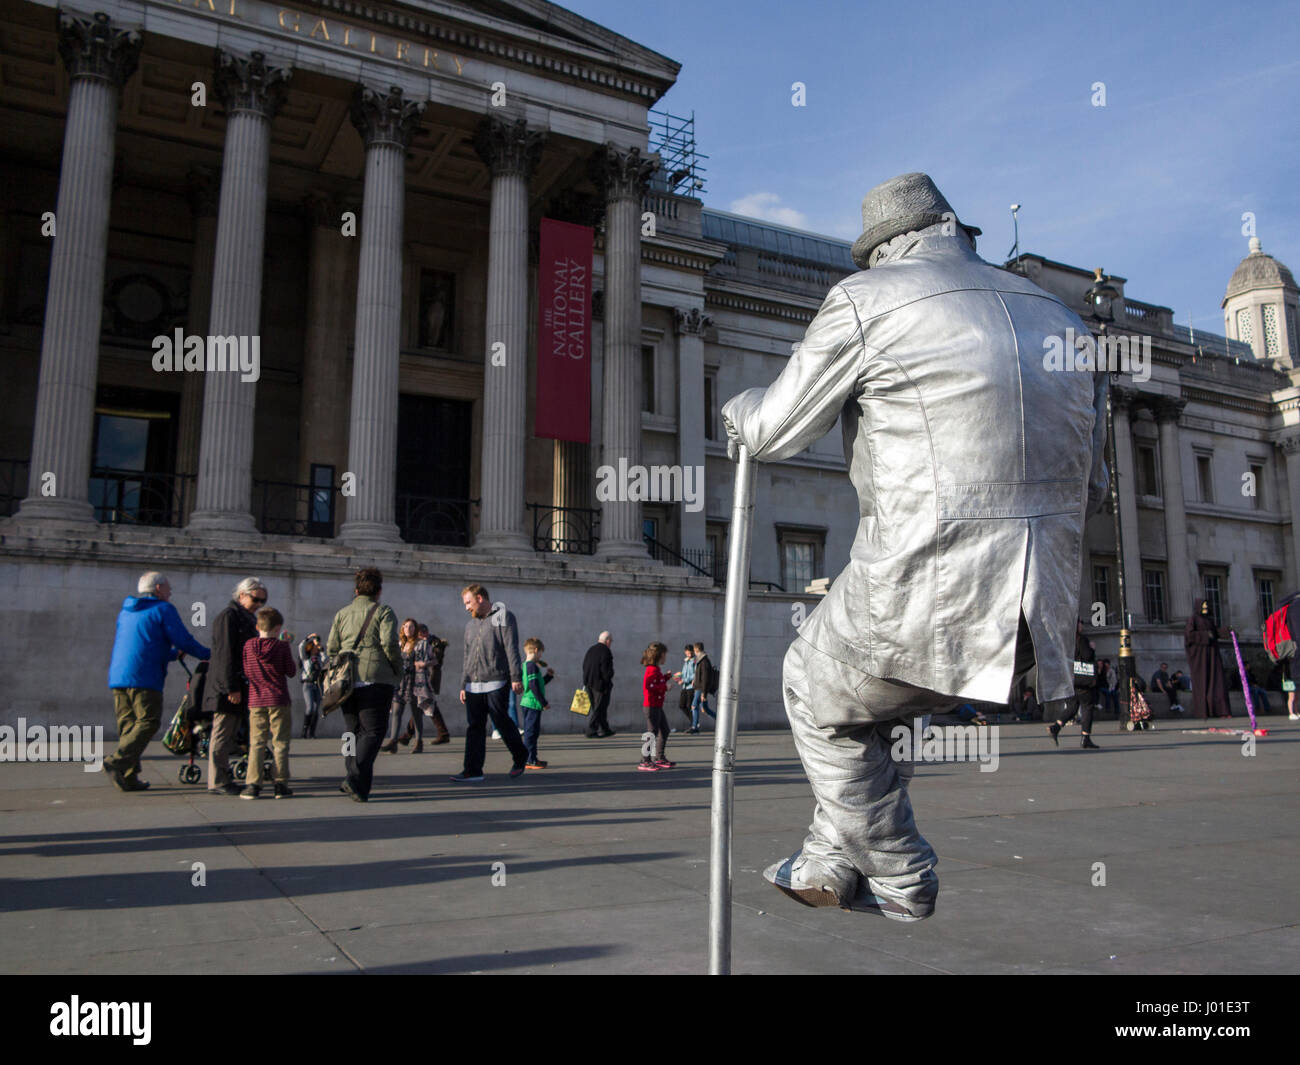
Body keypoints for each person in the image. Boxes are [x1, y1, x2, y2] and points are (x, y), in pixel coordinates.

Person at [722, 172, 1107, 921]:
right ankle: (831, 860)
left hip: (926, 593)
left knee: (809, 679)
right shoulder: (1068, 322)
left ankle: (900, 868)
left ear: (888, 247)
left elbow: (773, 431)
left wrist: (737, 407)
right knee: (873, 708)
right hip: (1037, 616)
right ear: (955, 231)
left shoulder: (867, 300)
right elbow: (1092, 488)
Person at [104, 571, 210, 791]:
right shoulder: (163, 609)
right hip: (145, 677)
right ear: (158, 588)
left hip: (119, 676)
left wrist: (173, 654)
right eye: (168, 588)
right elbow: (182, 639)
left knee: (128, 726)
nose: (171, 593)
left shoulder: (126, 612)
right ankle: (117, 761)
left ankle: (129, 776)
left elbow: (145, 645)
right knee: (148, 722)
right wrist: (207, 654)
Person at [327, 567, 401, 801]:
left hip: (346, 679)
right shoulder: (383, 611)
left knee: (351, 731)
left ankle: (358, 785)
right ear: (379, 591)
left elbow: (331, 647)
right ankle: (354, 778)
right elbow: (389, 643)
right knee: (373, 731)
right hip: (374, 676)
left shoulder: (342, 613)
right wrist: (397, 668)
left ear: (356, 590)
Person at [454, 584, 528, 783]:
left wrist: (515, 677)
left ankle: (521, 755)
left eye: (468, 602)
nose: (466, 607)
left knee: (502, 722)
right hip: (473, 685)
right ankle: (472, 770)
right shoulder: (470, 626)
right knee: (474, 727)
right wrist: (463, 684)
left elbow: (511, 648)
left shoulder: (503, 617)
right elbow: (467, 656)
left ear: (480, 598)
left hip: (496, 680)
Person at [204, 577, 266, 795]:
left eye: (262, 601)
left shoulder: (245, 618)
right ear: (242, 595)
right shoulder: (229, 617)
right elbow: (225, 655)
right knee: (222, 733)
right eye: (256, 599)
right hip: (228, 687)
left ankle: (223, 776)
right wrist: (231, 687)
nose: (259, 605)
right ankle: (218, 781)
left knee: (229, 734)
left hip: (239, 684)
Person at [240, 607, 297, 799]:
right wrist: (286, 644)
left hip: (256, 699)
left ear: (258, 626)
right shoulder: (281, 646)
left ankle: (252, 785)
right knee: (280, 742)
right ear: (278, 627)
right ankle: (280, 783)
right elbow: (290, 671)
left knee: (256, 743)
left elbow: (247, 672)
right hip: (278, 699)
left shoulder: (248, 646)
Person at [1048, 620, 1100, 749]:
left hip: (1070, 678)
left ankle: (1056, 727)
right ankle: (1085, 737)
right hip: (1083, 679)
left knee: (1072, 706)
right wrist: (1092, 649)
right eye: (1080, 623)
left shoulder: (1064, 641)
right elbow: (1087, 656)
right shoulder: (1081, 640)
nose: (1082, 625)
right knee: (1087, 706)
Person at [1184, 599, 1232, 718]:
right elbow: (1189, 636)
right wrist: (1205, 635)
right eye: (1203, 606)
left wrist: (1228, 631)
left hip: (1212, 653)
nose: (1205, 607)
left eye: (1206, 605)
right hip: (1200, 656)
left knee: (1217, 681)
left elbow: (1215, 632)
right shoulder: (1193, 619)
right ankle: (1204, 711)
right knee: (1203, 682)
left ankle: (1221, 710)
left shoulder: (1209, 620)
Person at [383, 618, 422, 754]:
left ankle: (418, 742)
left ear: (415, 629)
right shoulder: (400, 645)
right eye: (405, 627)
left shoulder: (419, 644)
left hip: (414, 682)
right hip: (400, 682)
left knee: (416, 714)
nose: (407, 629)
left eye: (411, 627)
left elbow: (425, 661)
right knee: (396, 712)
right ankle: (393, 741)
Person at [639, 642, 678, 771]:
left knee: (665, 730)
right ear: (660, 655)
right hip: (651, 706)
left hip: (657, 706)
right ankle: (645, 761)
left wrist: (667, 677)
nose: (666, 657)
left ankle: (659, 757)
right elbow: (648, 686)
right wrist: (664, 687)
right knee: (652, 732)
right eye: (665, 655)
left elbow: (657, 681)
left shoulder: (656, 670)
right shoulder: (651, 669)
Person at [520, 637, 555, 769]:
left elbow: (538, 685)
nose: (541, 655)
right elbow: (534, 686)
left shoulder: (526, 665)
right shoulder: (531, 666)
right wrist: (543, 702)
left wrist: (548, 677)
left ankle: (532, 757)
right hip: (532, 704)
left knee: (533, 732)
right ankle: (529, 759)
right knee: (531, 732)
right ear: (535, 650)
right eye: (541, 652)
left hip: (530, 703)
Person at [414, 623, 451, 744]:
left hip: (431, 677)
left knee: (425, 704)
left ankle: (443, 733)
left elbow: (437, 659)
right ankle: (407, 735)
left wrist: (423, 664)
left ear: (425, 632)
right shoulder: (422, 642)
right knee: (424, 704)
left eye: (420, 634)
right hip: (422, 678)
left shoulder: (435, 642)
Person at [581, 631, 616, 738]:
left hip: (589, 684)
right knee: (599, 708)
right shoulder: (606, 651)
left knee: (600, 707)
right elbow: (607, 671)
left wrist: (586, 682)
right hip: (600, 686)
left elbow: (584, 666)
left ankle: (605, 729)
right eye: (611, 641)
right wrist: (607, 680)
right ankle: (591, 730)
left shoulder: (591, 650)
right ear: (608, 641)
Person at [298, 633, 327, 738]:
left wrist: (322, 649)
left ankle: (312, 732)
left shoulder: (320, 658)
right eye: (314, 646)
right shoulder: (306, 658)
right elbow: (301, 647)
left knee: (316, 708)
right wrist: (308, 638)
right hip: (308, 684)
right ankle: (304, 731)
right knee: (310, 707)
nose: (315, 648)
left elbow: (326, 660)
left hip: (318, 685)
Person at [689, 641, 716, 731]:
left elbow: (705, 678)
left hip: (700, 688)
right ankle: (720, 721)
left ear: (696, 649)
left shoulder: (703, 661)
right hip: (699, 687)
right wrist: (694, 680)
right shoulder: (701, 660)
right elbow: (700, 675)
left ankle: (694, 727)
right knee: (705, 709)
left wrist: (704, 692)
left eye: (694, 650)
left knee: (694, 706)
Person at [673, 644, 696, 731]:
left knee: (690, 706)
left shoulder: (694, 662)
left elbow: (695, 674)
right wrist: (677, 677)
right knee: (682, 705)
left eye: (690, 652)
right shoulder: (686, 661)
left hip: (691, 687)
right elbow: (683, 673)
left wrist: (685, 680)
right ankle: (693, 722)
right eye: (687, 652)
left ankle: (694, 724)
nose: (689, 653)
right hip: (684, 687)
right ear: (685, 652)